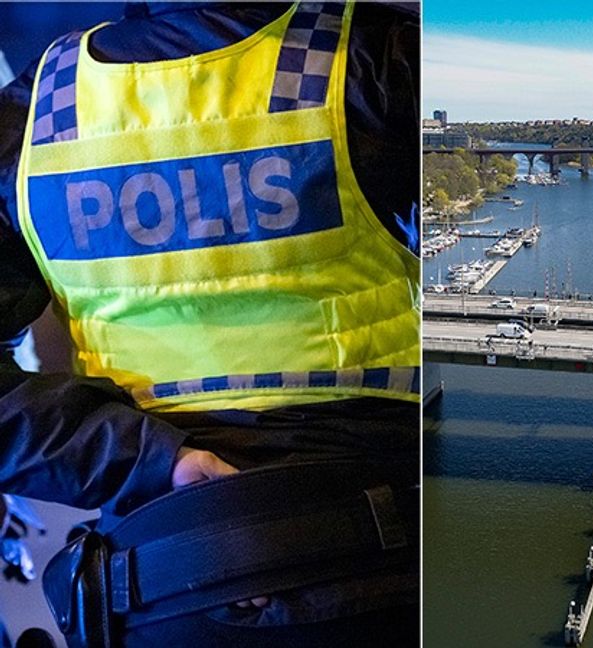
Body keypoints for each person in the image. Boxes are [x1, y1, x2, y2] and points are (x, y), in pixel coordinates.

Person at [0, 3, 419, 646]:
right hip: (381, 542)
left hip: (162, 577)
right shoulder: (372, 56)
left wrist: (149, 460)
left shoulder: (34, 112)